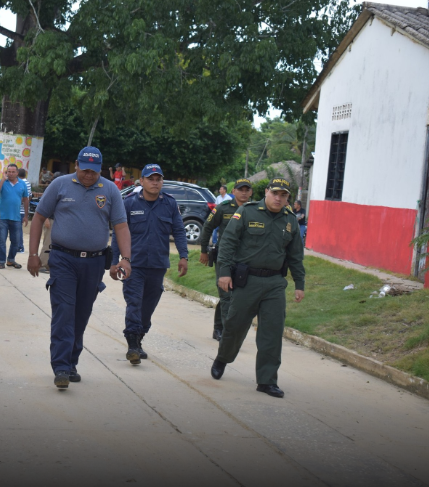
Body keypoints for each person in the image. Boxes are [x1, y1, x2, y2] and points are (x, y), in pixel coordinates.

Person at [28, 146, 132, 389]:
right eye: (85, 170)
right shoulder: (60, 185)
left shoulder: (110, 190)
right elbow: (39, 218)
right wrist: (34, 254)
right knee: (64, 310)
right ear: (76, 165)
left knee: (81, 313)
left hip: (95, 262)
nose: (88, 175)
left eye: (94, 172)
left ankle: (72, 361)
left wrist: (125, 259)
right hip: (63, 259)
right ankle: (61, 366)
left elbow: (121, 226)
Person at [210, 178, 305, 399]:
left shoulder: (290, 220)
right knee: (234, 326)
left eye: (284, 195)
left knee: (272, 332)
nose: (279, 198)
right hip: (247, 281)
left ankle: (267, 381)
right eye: (275, 193)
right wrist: (224, 272)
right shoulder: (246, 212)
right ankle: (223, 358)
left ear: (287, 198)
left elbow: (296, 256)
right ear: (266, 192)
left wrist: (299, 284)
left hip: (274, 284)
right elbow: (228, 243)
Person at [111, 164, 188, 365]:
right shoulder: (129, 203)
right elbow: (118, 233)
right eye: (150, 179)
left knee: (148, 307)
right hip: (132, 265)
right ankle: (133, 345)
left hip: (157, 265)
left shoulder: (169, 204)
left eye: (158, 179)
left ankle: (139, 338)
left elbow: (179, 230)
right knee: (134, 303)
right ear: (142, 181)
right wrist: (114, 261)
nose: (155, 183)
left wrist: (184, 256)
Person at [199, 178, 253, 341]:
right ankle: (229, 334)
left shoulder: (254, 210)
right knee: (227, 294)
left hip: (245, 259)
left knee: (234, 296)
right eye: (240, 189)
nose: (244, 193)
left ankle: (218, 329)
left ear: (250, 192)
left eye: (247, 190)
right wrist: (203, 251)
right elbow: (207, 227)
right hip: (225, 257)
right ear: (234, 191)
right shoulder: (223, 208)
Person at [0, 163, 29, 269]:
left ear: (17, 173)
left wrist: (26, 215)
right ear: (6, 172)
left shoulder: (22, 184)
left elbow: (26, 199)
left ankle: (11, 260)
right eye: (9, 171)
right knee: (1, 241)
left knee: (16, 241)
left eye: (13, 171)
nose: (11, 173)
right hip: (2, 217)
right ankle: (1, 261)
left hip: (16, 217)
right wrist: (2, 180)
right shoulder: (1, 182)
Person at [17, 168, 32, 253]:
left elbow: (25, 197)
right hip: (24, 210)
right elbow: (29, 196)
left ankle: (20, 246)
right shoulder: (28, 183)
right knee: (18, 229)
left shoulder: (21, 183)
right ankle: (18, 246)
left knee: (17, 229)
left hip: (19, 210)